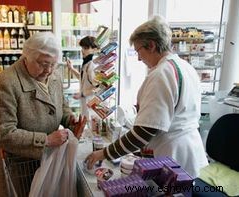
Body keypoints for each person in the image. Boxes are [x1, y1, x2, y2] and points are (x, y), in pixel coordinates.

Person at [85, 16, 208, 178]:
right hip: (191, 151)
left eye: (138, 51)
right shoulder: (184, 67)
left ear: (151, 45)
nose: (138, 58)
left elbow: (144, 132)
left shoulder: (161, 74)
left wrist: (104, 153)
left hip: (172, 154)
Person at [0, 32, 86, 197]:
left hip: (48, 158)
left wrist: (70, 119)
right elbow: (2, 133)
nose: (48, 70)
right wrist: (45, 140)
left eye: (53, 64)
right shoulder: (6, 82)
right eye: (43, 64)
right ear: (26, 57)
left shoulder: (54, 75)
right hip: (19, 164)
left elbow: (62, 105)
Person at [66, 36, 99, 122]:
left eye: (86, 48)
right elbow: (83, 78)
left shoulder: (92, 65)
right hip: (86, 104)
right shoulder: (87, 63)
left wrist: (82, 94)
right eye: (82, 48)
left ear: (94, 49)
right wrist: (72, 68)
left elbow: (98, 87)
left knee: (91, 125)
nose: (82, 50)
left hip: (91, 104)